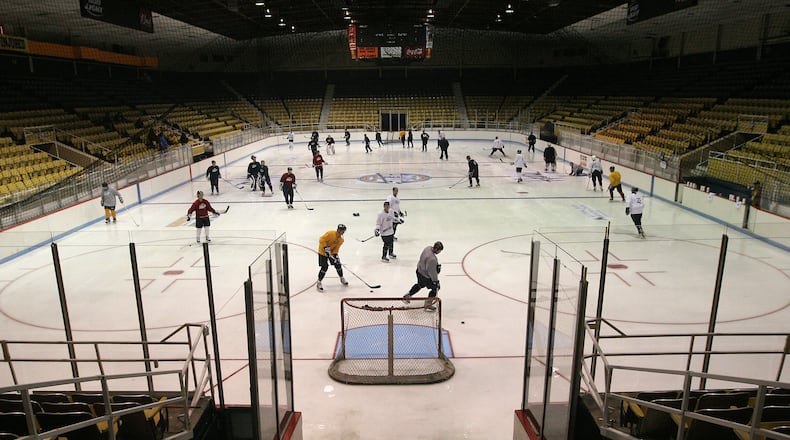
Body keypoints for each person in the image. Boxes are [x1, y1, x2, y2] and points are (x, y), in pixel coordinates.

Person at [403, 241, 444, 312]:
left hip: (419, 271)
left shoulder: (427, 248)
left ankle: (407, 295)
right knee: (435, 289)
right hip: (425, 276)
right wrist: (435, 281)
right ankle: (428, 305)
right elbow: (432, 272)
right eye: (439, 251)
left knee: (420, 284)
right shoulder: (432, 259)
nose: (439, 252)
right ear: (437, 249)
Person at [317, 224, 348, 291]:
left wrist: (335, 255)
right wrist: (325, 247)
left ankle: (341, 278)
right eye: (340, 230)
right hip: (322, 252)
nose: (341, 231)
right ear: (337, 229)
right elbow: (322, 239)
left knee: (338, 264)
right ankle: (319, 281)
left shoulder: (341, 240)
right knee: (324, 267)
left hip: (331, 252)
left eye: (342, 231)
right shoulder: (330, 233)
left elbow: (336, 249)